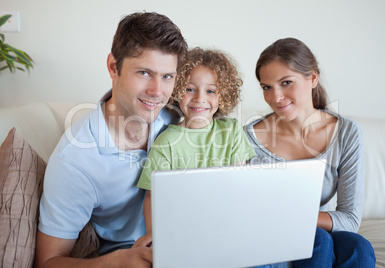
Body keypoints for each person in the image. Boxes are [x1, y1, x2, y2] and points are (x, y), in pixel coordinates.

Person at [35, 12, 187, 268]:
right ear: (113, 67)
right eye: (144, 73)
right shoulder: (75, 160)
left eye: (167, 76)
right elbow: (48, 261)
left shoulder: (177, 117)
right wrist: (117, 262)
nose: (157, 92)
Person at [244, 37, 376, 267]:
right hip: (270, 235)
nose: (275, 97)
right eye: (267, 87)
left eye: (286, 82)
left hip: (317, 230)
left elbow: (350, 219)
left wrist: (296, 219)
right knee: (321, 241)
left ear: (313, 78)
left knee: (359, 247)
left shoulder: (346, 132)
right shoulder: (248, 137)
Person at [133, 47, 256, 248]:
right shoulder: (166, 142)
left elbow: (239, 184)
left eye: (210, 91)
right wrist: (153, 235)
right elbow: (152, 195)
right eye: (190, 89)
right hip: (185, 228)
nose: (199, 98)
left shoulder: (231, 130)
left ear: (223, 95)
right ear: (177, 90)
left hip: (228, 224)